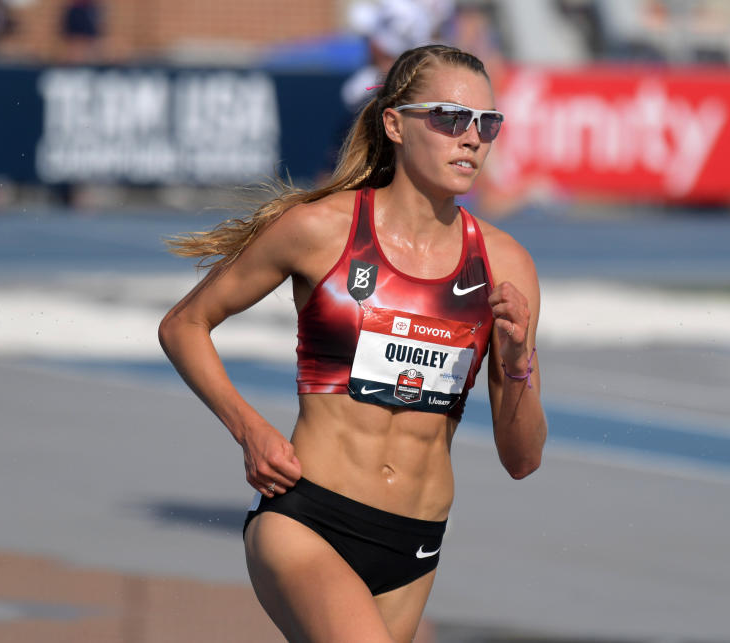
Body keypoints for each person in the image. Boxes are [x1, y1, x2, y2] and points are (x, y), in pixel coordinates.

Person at [158, 44, 547, 642]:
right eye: (449, 117)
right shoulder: (323, 230)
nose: (471, 138)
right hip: (309, 517)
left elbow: (522, 460)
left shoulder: (504, 263)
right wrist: (250, 430)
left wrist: (518, 360)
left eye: (486, 123)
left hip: (413, 545)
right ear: (395, 123)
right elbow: (183, 324)